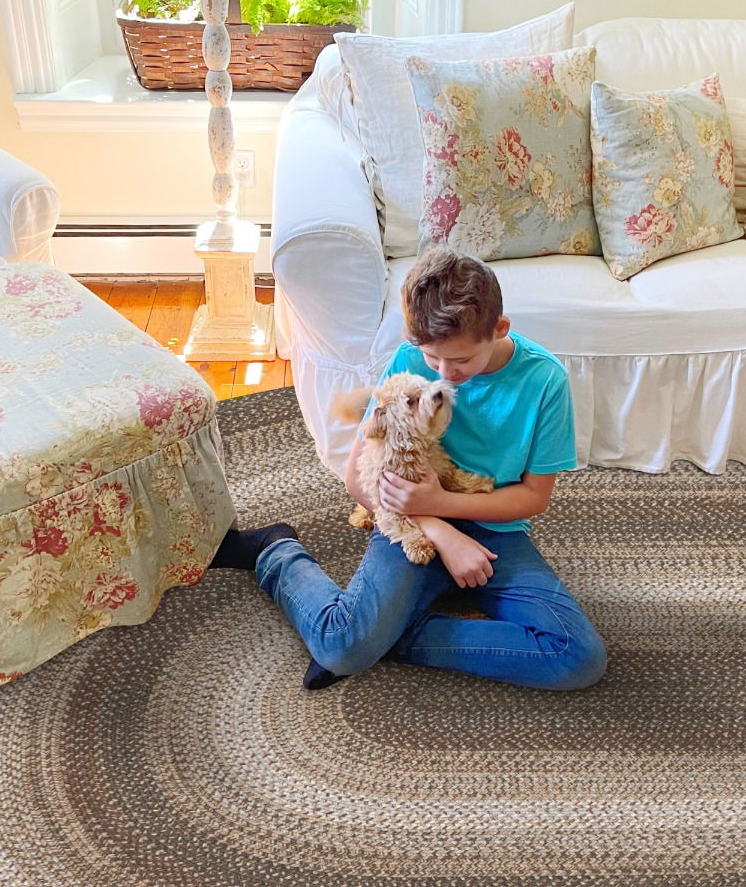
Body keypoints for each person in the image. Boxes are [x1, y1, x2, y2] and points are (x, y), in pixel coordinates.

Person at [209, 248, 607, 693]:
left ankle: (393, 636)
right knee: (341, 649)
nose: (444, 374)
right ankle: (275, 552)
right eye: (432, 358)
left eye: (460, 360)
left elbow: (534, 497)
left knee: (577, 658)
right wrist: (438, 528)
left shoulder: (545, 380)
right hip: (407, 518)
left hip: (496, 529)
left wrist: (444, 503)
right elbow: (358, 477)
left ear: (499, 329)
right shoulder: (408, 358)